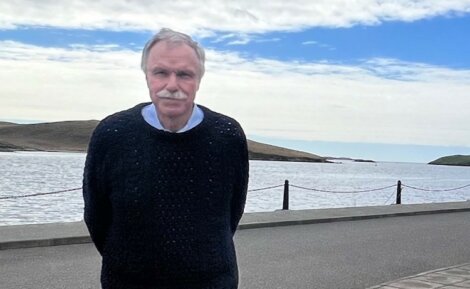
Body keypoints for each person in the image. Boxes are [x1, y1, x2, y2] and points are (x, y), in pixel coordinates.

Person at [83, 28, 249, 289]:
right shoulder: (111, 134)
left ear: (198, 80)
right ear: (147, 76)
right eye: (161, 72)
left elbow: (232, 211)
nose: (172, 85)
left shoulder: (228, 136)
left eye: (184, 74)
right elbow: (97, 216)